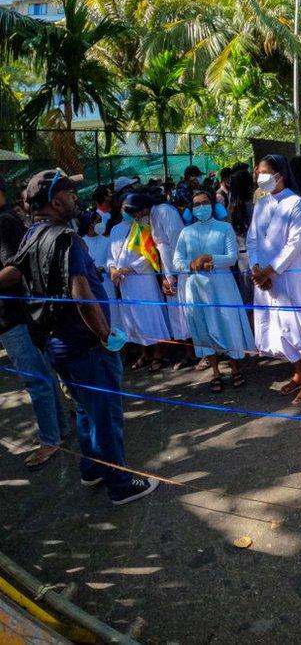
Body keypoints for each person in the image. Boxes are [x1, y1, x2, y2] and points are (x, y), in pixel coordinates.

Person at [1, 169, 157, 505]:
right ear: (56, 201)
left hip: (57, 345)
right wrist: (106, 335)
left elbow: (11, 274)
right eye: (70, 194)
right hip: (85, 343)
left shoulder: (32, 234)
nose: (76, 198)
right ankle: (119, 484)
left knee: (85, 409)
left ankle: (92, 468)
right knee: (105, 413)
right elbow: (82, 297)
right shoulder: (65, 238)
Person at [248, 154, 301, 405]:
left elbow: (295, 244)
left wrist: (270, 270)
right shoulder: (261, 203)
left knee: (298, 322)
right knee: (277, 324)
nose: (258, 176)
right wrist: (256, 269)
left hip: (290, 273)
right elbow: (252, 239)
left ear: (279, 175)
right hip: (263, 275)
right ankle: (296, 371)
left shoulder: (296, 203)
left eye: (263, 172)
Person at [0, 186, 69, 469]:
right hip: (16, 316)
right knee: (43, 376)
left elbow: (13, 270)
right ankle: (61, 429)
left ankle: (50, 440)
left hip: (14, 316)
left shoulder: (3, 222)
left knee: (36, 380)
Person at [174, 189, 255, 392]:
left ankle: (236, 368)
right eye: (196, 204)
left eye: (204, 202)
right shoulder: (186, 232)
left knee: (227, 324)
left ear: (212, 204)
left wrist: (211, 259)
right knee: (203, 326)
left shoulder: (224, 228)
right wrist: (191, 265)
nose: (201, 207)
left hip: (221, 285)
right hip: (196, 286)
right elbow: (177, 260)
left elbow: (232, 257)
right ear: (192, 209)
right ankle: (216, 372)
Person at [107, 193, 171, 371]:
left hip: (143, 279)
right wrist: (112, 268)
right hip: (125, 282)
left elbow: (150, 255)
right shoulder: (115, 229)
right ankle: (145, 353)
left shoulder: (143, 226)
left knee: (150, 314)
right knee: (134, 317)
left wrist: (130, 268)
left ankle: (158, 353)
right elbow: (110, 255)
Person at [150, 188, 194, 368]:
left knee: (187, 312)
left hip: (179, 269)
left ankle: (201, 352)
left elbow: (177, 243)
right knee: (177, 314)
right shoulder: (151, 216)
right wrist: (165, 277)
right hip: (167, 270)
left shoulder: (165, 212)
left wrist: (173, 274)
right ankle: (189, 353)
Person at [82, 208, 116, 325]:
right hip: (91, 284)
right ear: (90, 225)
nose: (102, 224)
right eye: (98, 221)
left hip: (106, 281)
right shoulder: (81, 242)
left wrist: (103, 267)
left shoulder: (107, 241)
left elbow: (111, 260)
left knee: (113, 313)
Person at [227, 169, 255, 304]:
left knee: (246, 295)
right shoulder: (253, 207)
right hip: (254, 256)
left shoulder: (231, 208)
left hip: (240, 256)